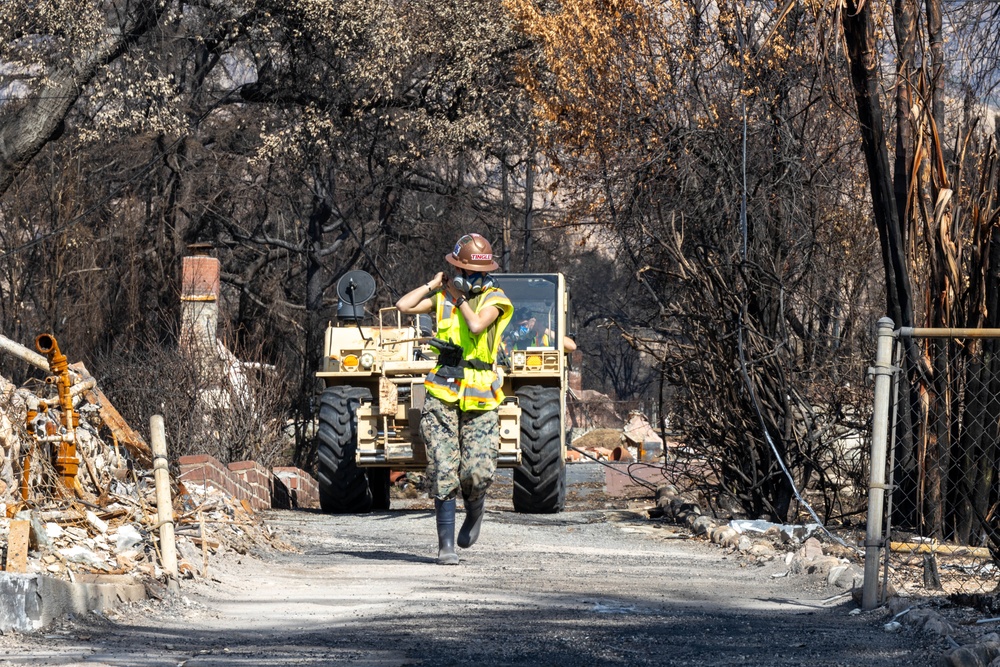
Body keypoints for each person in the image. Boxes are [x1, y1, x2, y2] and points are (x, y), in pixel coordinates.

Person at [395, 233, 513, 565]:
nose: (472, 278)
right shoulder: (444, 296)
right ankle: (444, 545)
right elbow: (404, 306)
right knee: (442, 468)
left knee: (475, 474)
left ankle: (475, 511)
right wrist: (434, 286)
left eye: (478, 273)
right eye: (465, 272)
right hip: (442, 391)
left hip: (480, 395)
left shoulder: (497, 299)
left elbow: (476, 327)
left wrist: (458, 296)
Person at [505, 309, 578, 352]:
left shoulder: (546, 339)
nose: (521, 328)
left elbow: (572, 346)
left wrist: (543, 329)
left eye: (524, 325)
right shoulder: (506, 342)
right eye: (518, 326)